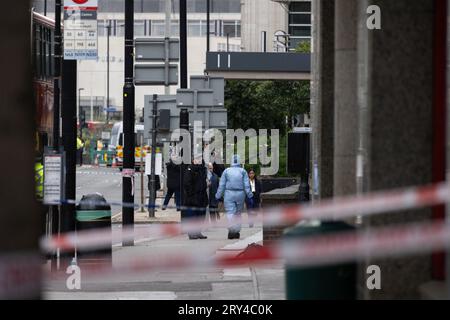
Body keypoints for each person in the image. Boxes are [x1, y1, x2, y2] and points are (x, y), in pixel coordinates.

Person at [215, 155, 253, 240]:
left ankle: (231, 230)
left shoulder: (226, 171)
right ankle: (236, 231)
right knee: (238, 213)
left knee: (230, 212)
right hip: (240, 193)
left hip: (229, 193)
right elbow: (246, 185)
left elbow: (222, 185)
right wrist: (249, 195)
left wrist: (218, 195)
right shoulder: (243, 171)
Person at [182, 157, 208, 240]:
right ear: (193, 160)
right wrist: (191, 194)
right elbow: (187, 183)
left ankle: (198, 231)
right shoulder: (190, 169)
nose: (199, 161)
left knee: (201, 215)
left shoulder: (203, 169)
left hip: (202, 196)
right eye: (197, 160)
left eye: (200, 160)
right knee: (192, 216)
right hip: (192, 197)